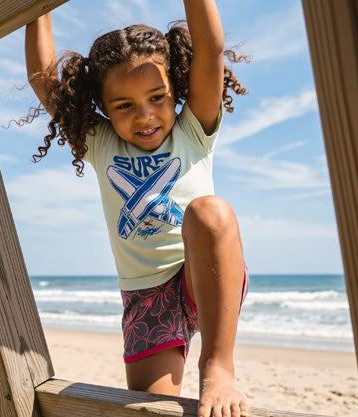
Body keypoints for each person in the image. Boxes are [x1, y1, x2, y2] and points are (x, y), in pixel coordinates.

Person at [25, 1, 250, 416]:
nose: (145, 116)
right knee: (150, 410)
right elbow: (43, 80)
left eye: (157, 97)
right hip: (146, 296)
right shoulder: (99, 142)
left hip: (202, 277)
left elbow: (210, 47)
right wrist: (39, 9)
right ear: (101, 108)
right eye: (124, 105)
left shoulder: (193, 129)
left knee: (209, 212)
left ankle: (219, 366)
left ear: (176, 91)